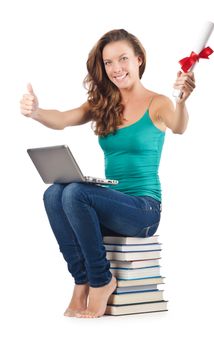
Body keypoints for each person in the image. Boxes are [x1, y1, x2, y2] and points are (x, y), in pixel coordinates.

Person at [20, 29, 195, 318]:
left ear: (139, 60)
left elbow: (179, 125)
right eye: (109, 62)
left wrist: (183, 100)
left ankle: (102, 281)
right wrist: (37, 111)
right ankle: (82, 280)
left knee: (76, 192)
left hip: (143, 210)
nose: (116, 69)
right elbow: (63, 119)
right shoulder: (104, 104)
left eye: (123, 59)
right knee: (54, 193)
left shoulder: (159, 103)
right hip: (110, 208)